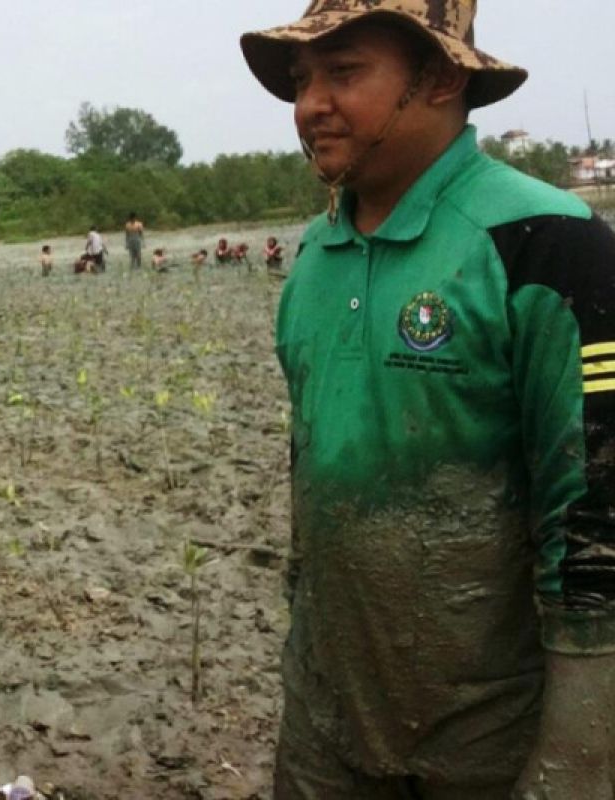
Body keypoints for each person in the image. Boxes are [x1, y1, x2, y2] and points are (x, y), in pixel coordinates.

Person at [241, 2, 615, 797]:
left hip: (486, 745)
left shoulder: (546, 246)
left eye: (344, 73)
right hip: (325, 723)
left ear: (442, 76)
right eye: (303, 80)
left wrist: (577, 762)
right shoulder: (315, 257)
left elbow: (595, 526)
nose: (310, 105)